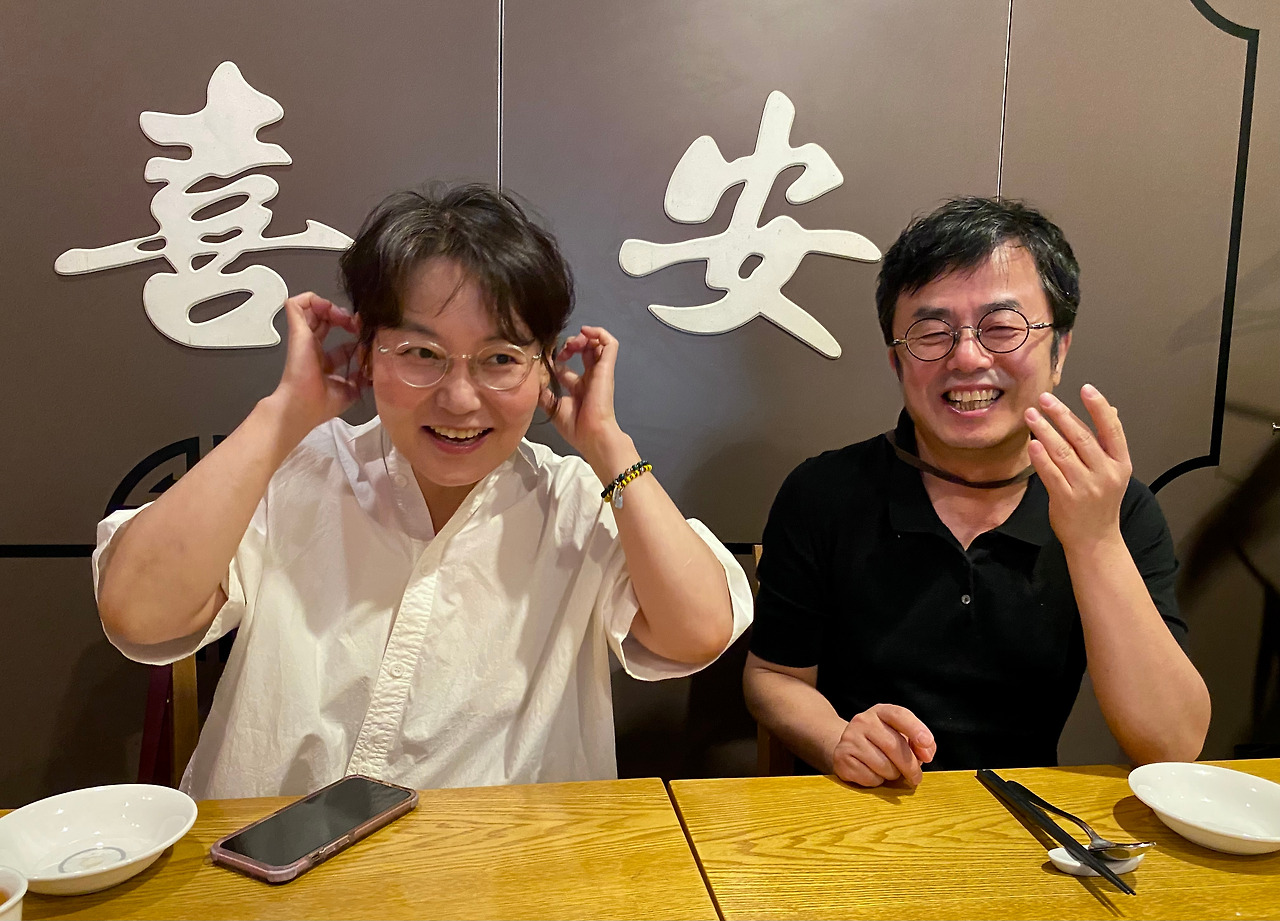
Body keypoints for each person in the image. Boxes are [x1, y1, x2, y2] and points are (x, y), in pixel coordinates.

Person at [94, 183, 752, 799]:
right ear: (367, 351)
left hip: (503, 864)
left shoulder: (575, 501)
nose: (459, 398)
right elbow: (139, 612)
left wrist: (609, 445)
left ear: (545, 364)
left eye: (500, 359)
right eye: (420, 353)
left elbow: (696, 633)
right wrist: (282, 414)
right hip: (269, 859)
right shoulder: (296, 473)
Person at [743, 197, 1210, 787]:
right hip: (858, 807)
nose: (967, 357)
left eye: (1002, 328)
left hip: (1027, 817)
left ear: (1059, 349)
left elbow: (1172, 743)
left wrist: (1094, 539)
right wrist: (839, 739)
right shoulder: (824, 493)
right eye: (931, 332)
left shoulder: (1116, 509)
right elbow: (773, 677)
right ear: (896, 362)